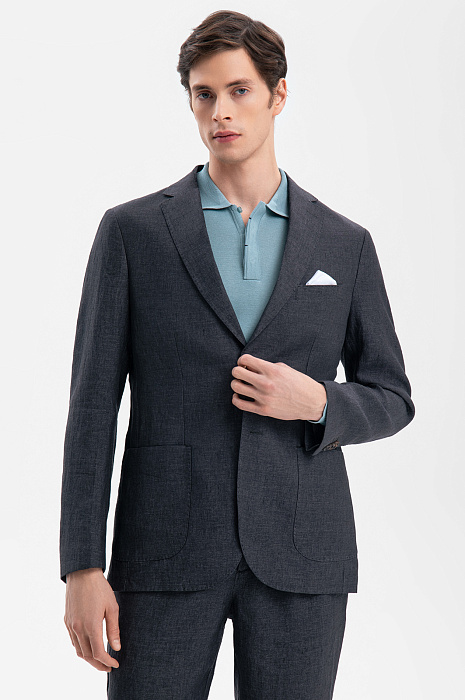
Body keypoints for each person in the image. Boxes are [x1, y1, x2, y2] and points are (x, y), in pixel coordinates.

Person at [60, 10, 415, 699]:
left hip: (302, 554)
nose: (220, 111)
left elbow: (392, 396)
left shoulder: (343, 244)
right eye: (204, 94)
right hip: (162, 553)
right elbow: (92, 409)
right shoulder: (133, 232)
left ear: (278, 95)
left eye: (239, 90)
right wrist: (82, 565)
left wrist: (319, 401)